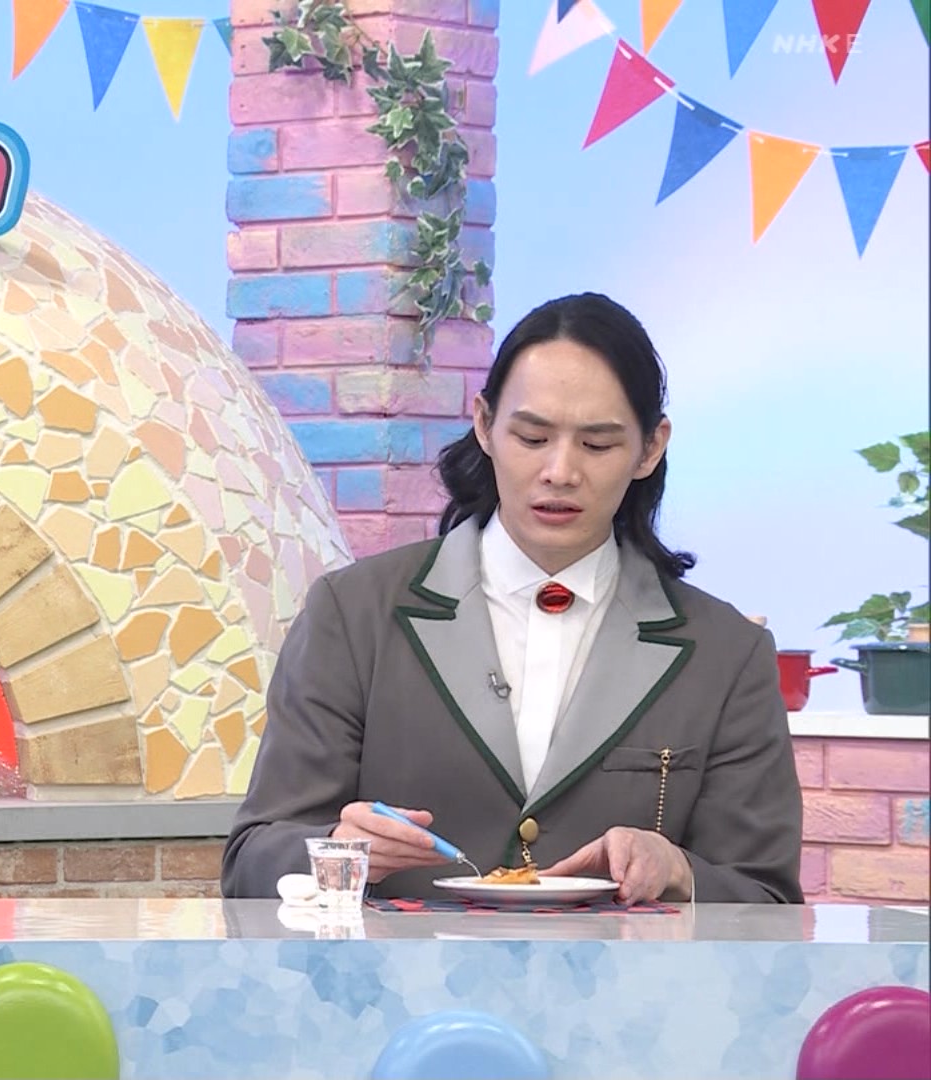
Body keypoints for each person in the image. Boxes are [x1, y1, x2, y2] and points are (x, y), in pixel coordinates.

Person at [223, 293, 802, 904]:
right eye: (532, 437)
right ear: (484, 425)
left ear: (651, 448)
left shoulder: (725, 654)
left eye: (597, 445)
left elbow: (769, 901)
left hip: (624, 969)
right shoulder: (354, 614)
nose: (560, 471)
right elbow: (251, 862)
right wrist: (341, 851)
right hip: (397, 968)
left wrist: (678, 868)